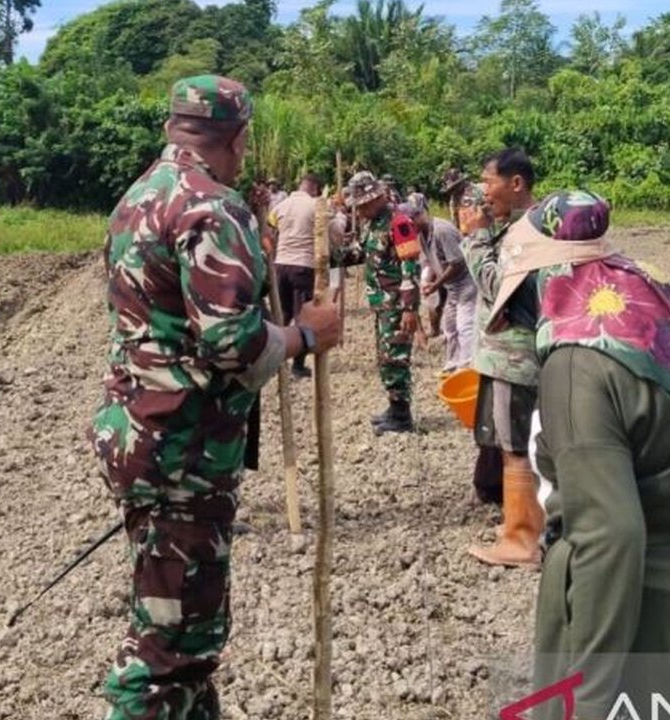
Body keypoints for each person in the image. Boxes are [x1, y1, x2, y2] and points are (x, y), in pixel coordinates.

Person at [89, 75, 341, 720]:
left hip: (141, 433)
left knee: (183, 623)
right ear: (239, 135)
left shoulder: (139, 196)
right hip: (184, 451)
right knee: (169, 650)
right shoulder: (210, 206)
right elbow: (232, 343)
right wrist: (306, 335)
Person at [488, 190, 670, 720]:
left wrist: (585, 694)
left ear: (538, 284)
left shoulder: (577, 363)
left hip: (647, 619)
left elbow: (609, 536)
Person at [462, 148, 541, 565]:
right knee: (512, 441)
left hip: (514, 357)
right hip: (507, 355)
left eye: (489, 181)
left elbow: (496, 287)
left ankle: (521, 539)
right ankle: (521, 517)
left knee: (513, 445)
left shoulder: (526, 232)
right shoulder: (521, 226)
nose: (482, 190)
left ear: (516, 183)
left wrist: (476, 235)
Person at [334, 171, 421, 434]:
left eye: (362, 205)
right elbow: (364, 253)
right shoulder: (371, 223)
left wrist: (409, 308)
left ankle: (402, 415)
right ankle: (394, 407)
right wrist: (337, 255)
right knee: (385, 357)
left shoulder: (399, 222)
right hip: (380, 302)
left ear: (377, 199)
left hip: (396, 303)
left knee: (396, 357)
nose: (359, 211)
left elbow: (410, 267)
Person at [405, 201, 476, 374]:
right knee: (450, 328)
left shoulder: (442, 230)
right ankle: (452, 365)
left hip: (466, 283)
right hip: (453, 287)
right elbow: (430, 261)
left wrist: (436, 285)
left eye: (410, 222)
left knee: (465, 327)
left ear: (420, 216)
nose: (409, 227)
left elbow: (457, 263)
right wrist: (428, 281)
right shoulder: (423, 235)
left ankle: (466, 369)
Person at [268, 173, 321, 378]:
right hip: (303, 265)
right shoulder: (315, 206)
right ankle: (298, 365)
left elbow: (271, 230)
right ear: (315, 189)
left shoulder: (281, 205)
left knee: (282, 314)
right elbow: (328, 233)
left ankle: (273, 361)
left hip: (281, 264)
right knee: (303, 316)